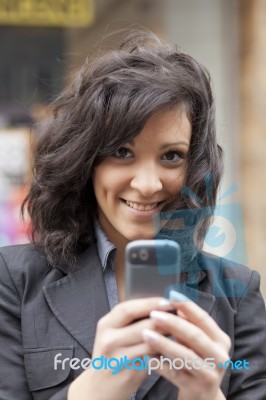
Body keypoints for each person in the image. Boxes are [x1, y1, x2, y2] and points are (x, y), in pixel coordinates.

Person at [0, 29, 265, 400]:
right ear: (85, 160)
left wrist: (206, 395)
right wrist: (94, 390)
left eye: (171, 156)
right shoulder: (14, 280)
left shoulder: (238, 293)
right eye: (122, 152)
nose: (147, 184)